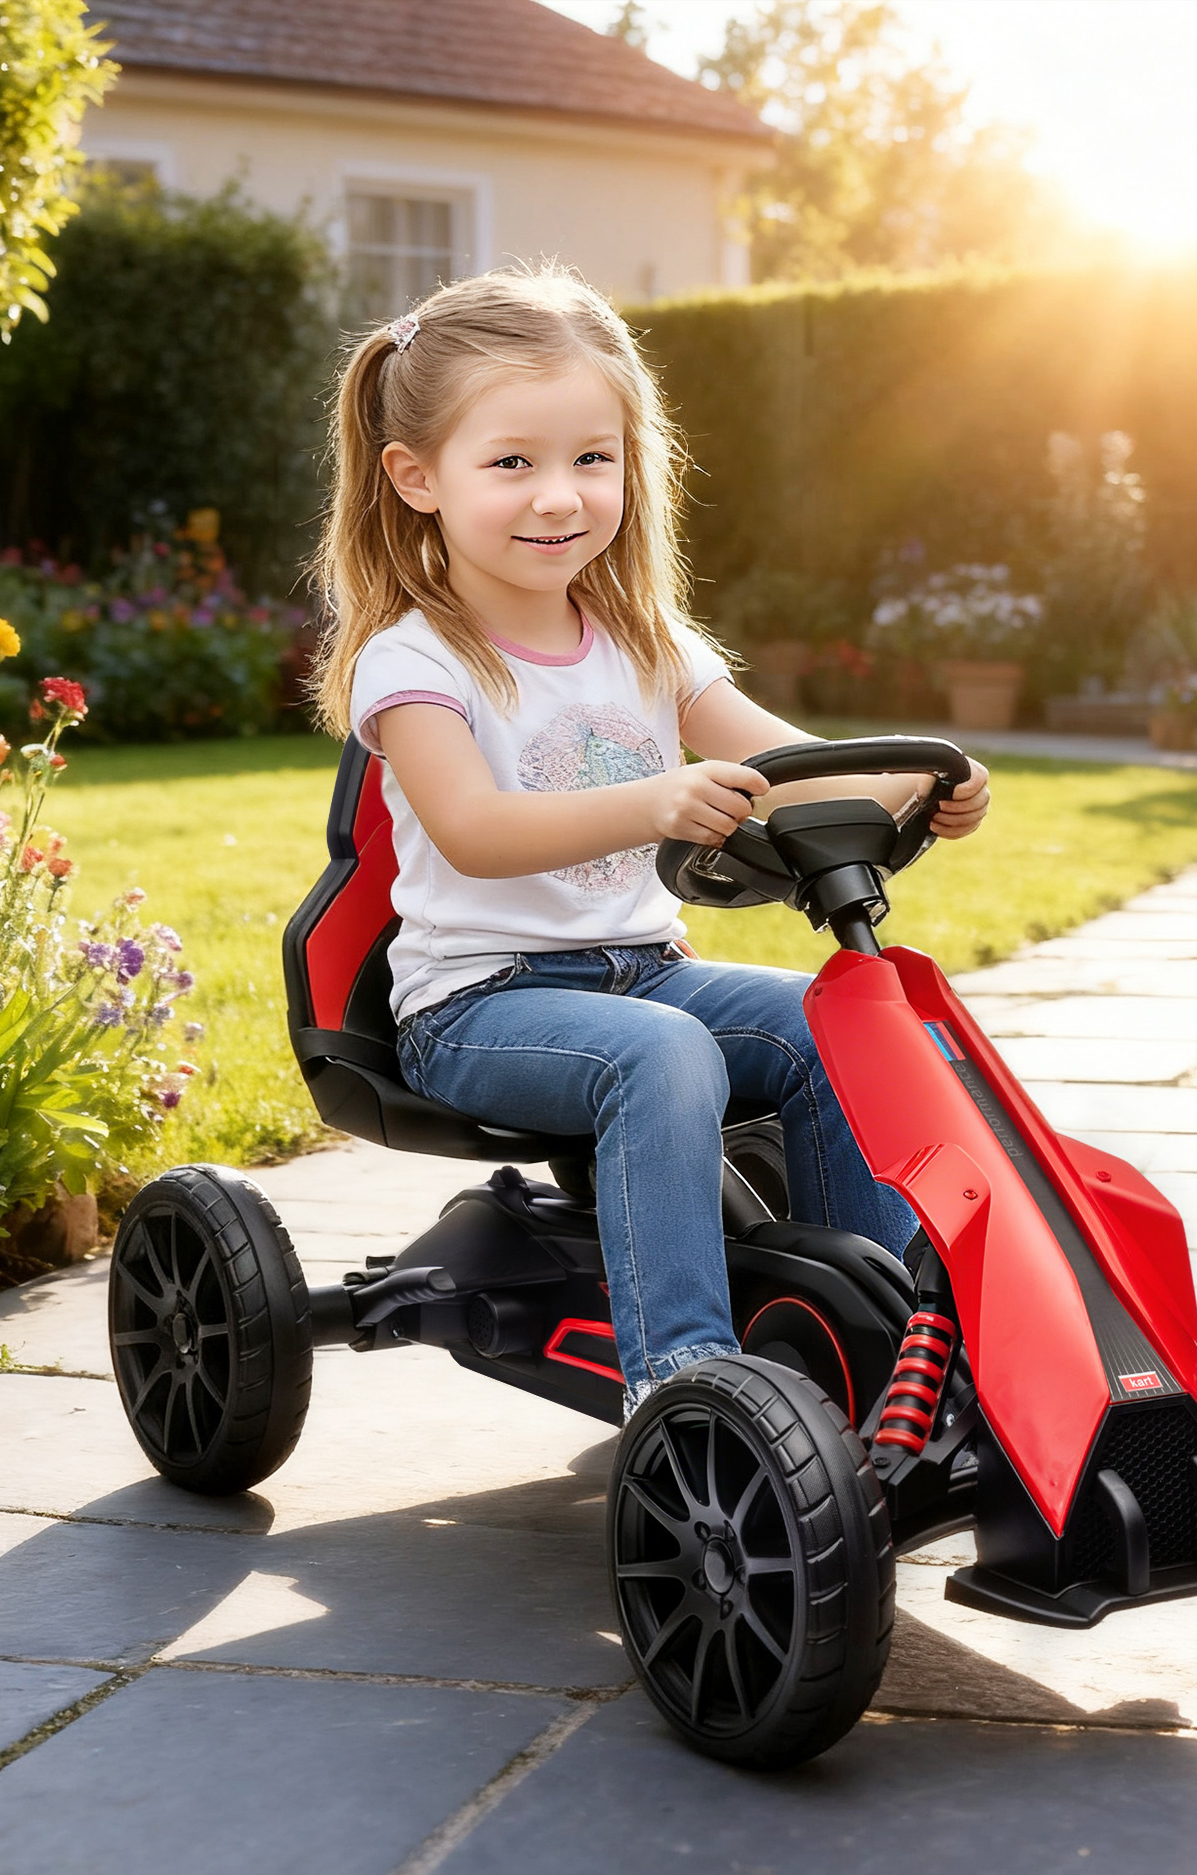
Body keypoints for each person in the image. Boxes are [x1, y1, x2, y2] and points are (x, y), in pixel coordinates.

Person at [309, 267, 990, 1414]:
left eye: (591, 458)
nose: (557, 495)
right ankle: (682, 1379)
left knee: (843, 1017)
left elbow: (786, 758)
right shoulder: (413, 659)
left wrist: (923, 781)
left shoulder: (642, 639)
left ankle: (875, 1331)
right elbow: (473, 832)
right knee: (663, 1057)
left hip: (648, 973)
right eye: (511, 461)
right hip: (479, 1004)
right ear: (416, 477)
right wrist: (653, 801)